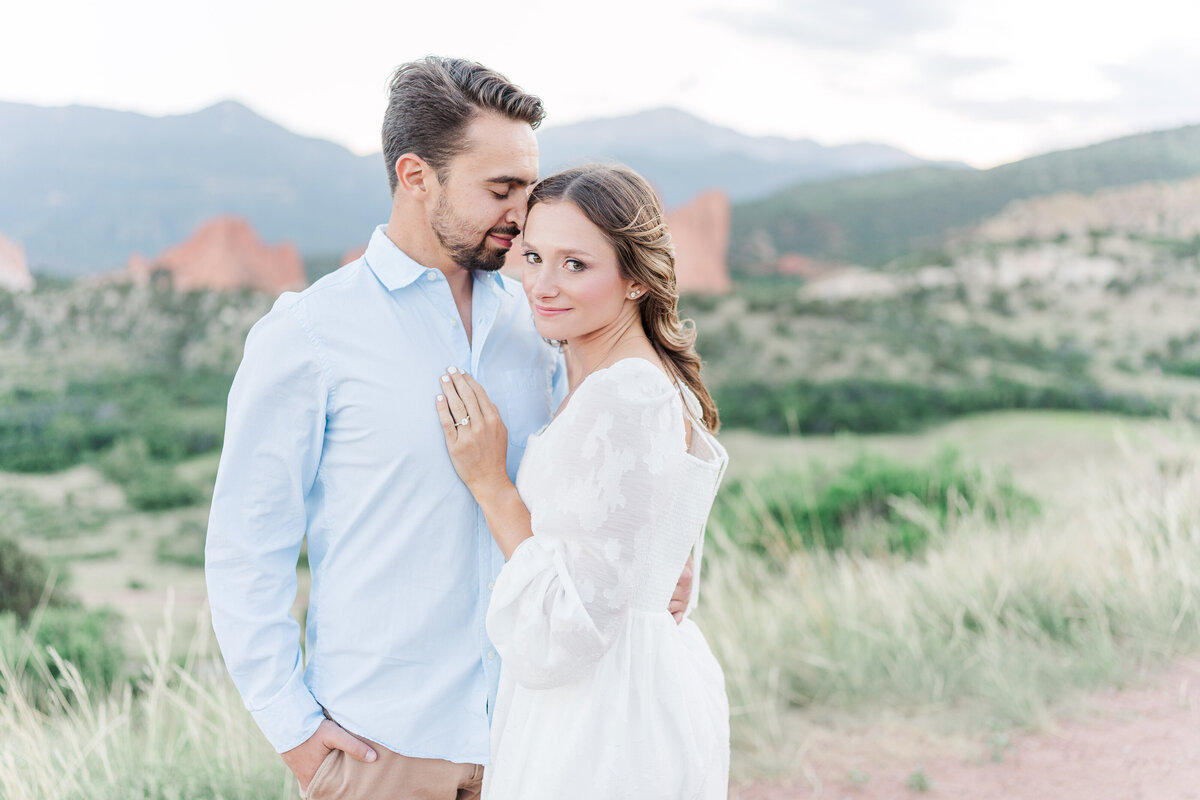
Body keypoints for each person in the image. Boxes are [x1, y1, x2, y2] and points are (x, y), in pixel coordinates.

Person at [204, 57, 694, 800]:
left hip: (537, 742)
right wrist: (296, 735)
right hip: (382, 751)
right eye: (501, 190)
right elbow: (247, 547)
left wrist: (669, 552)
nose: (522, 212)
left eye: (529, 188)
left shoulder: (542, 318)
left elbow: (613, 468)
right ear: (415, 175)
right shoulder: (309, 334)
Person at [435, 163, 730, 799]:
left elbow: (571, 625)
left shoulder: (625, 394)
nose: (542, 284)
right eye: (534, 255)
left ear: (633, 281)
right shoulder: (613, 376)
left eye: (576, 264)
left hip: (602, 717)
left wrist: (491, 484)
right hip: (629, 685)